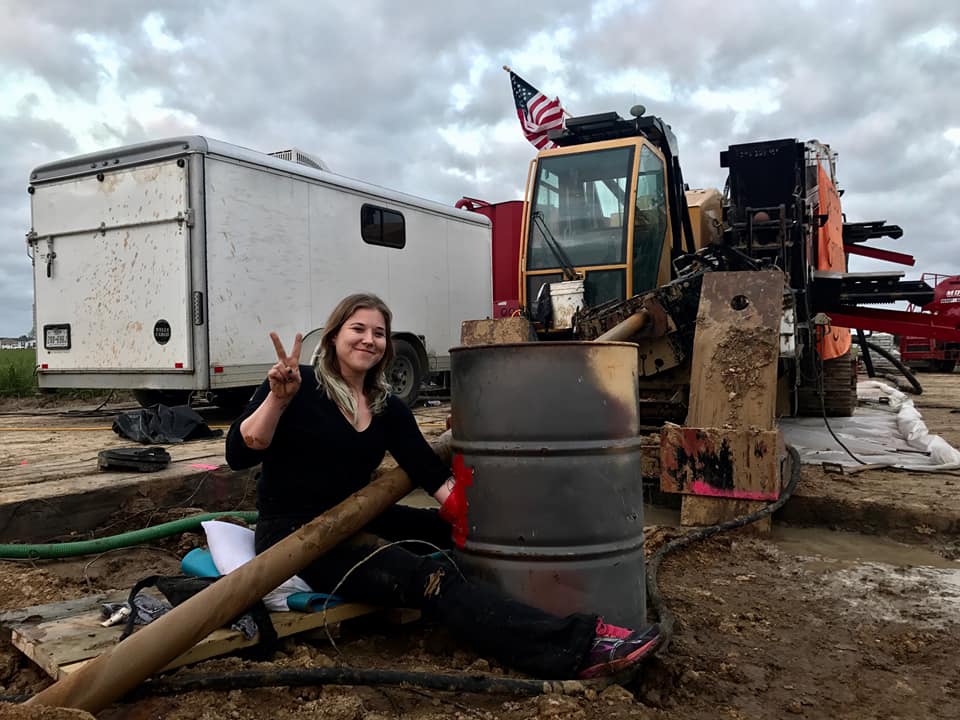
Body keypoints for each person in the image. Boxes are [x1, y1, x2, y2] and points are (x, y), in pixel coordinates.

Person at [225, 292, 660, 679]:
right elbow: (241, 453)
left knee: (447, 535)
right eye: (357, 328)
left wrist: (494, 528)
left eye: (379, 332)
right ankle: (576, 647)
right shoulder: (297, 385)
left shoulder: (386, 407)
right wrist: (278, 398)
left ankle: (528, 605)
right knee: (429, 577)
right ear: (334, 336)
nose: (368, 340)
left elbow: (428, 472)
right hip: (298, 535)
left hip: (354, 513)